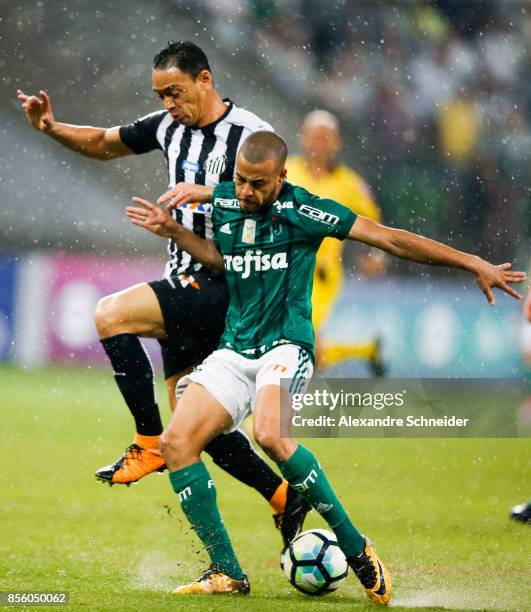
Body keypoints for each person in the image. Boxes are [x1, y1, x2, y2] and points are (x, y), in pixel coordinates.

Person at [126, 130, 526, 601]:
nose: (246, 191)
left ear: (282, 177)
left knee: (271, 435)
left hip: (285, 346)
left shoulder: (306, 210)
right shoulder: (230, 202)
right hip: (234, 350)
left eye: (257, 183)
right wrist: (174, 231)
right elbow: (224, 259)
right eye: (239, 180)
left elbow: (391, 239)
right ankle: (227, 572)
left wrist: (471, 261)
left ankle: (356, 549)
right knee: (176, 442)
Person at [17, 41, 309, 546]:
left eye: (175, 92)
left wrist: (205, 207)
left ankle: (145, 442)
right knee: (193, 428)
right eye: (160, 95)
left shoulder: (251, 137)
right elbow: (104, 142)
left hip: (225, 283)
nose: (168, 104)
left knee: (111, 315)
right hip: (185, 277)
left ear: (206, 79)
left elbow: (271, 220)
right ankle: (283, 497)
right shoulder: (167, 127)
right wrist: (50, 128)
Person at [286, 110, 386, 374]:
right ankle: (365, 350)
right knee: (307, 353)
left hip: (320, 277)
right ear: (303, 139)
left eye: (325, 137)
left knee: (295, 344)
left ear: (336, 142)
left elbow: (374, 223)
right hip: (282, 270)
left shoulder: (350, 184)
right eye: (314, 136)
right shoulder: (286, 171)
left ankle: (269, 410)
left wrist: (375, 255)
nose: (319, 143)